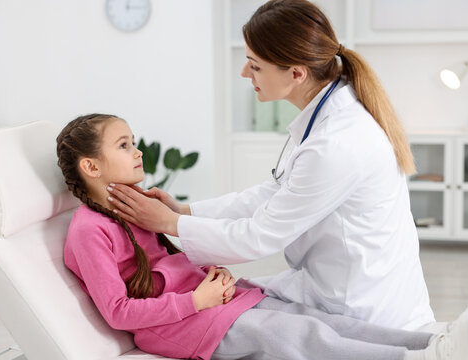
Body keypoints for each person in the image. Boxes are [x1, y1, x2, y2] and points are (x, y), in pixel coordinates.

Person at [56, 113, 468, 360]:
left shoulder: (136, 208)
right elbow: (118, 311)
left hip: (216, 303)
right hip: (187, 325)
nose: (137, 152)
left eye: (134, 141)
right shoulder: (89, 230)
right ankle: (430, 359)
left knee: (325, 321)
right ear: (90, 167)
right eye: (123, 145)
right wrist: (198, 300)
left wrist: (212, 274)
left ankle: (442, 342)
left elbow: (170, 264)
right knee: (307, 341)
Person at [105, 0, 433, 331]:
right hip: (336, 283)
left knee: (227, 317)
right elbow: (275, 192)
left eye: (255, 65)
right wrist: (185, 211)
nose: (245, 73)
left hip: (362, 306)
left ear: (295, 74)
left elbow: (260, 235)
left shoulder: (336, 144)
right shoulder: (329, 118)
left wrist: (170, 223)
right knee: (236, 300)